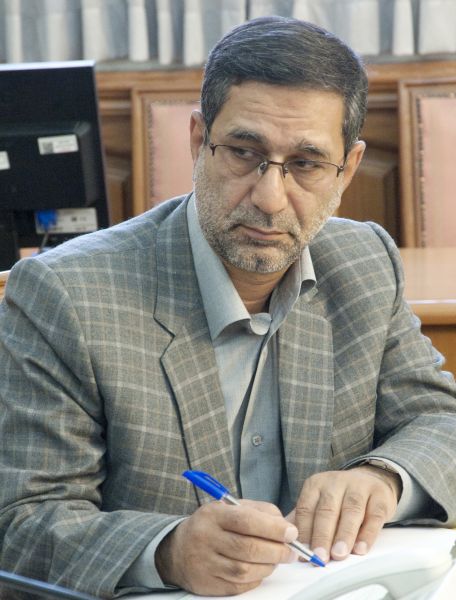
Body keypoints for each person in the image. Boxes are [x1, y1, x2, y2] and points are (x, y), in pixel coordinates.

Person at [0, 16, 455, 600]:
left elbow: (439, 422)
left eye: (307, 164)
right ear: (198, 140)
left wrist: (384, 478)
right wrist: (167, 551)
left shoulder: (364, 261)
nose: (269, 198)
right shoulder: (67, 293)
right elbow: (22, 521)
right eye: (244, 152)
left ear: (347, 169)